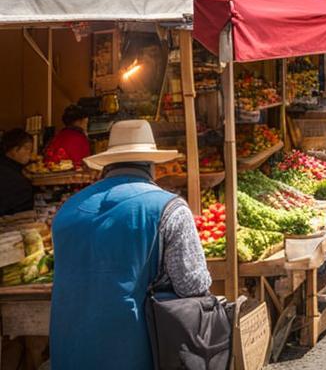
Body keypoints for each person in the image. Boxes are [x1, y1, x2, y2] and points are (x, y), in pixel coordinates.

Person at [51, 120, 210, 368]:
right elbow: (193, 284)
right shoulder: (170, 207)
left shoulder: (67, 210)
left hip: (69, 354)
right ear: (151, 166)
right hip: (134, 353)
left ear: (107, 166)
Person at [0, 129, 33, 216]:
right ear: (14, 150)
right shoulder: (17, 181)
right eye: (27, 149)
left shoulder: (7, 166)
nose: (29, 153)